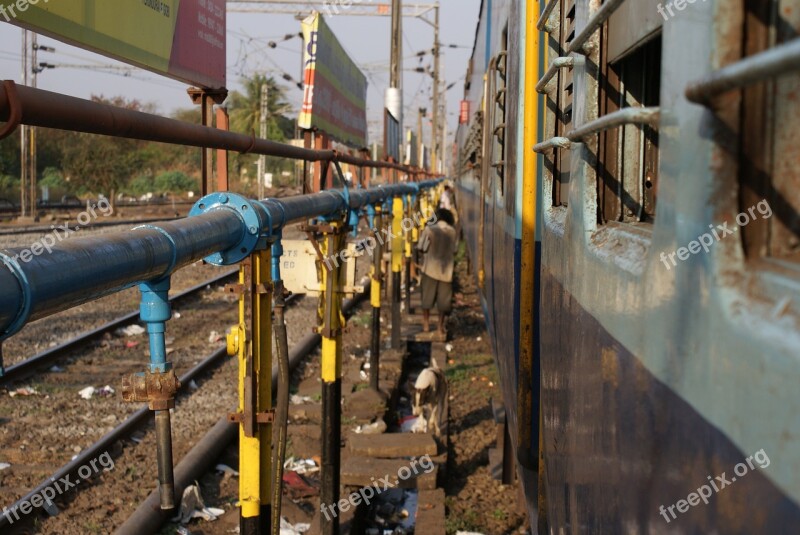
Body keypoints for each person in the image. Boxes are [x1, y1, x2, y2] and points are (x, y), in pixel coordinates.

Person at [417, 208, 458, 335]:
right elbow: (455, 250)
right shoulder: (452, 231)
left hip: (430, 269)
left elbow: (421, 248)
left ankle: (426, 324)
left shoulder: (429, 230)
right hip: (446, 271)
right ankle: (440, 327)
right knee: (443, 302)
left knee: (427, 299)